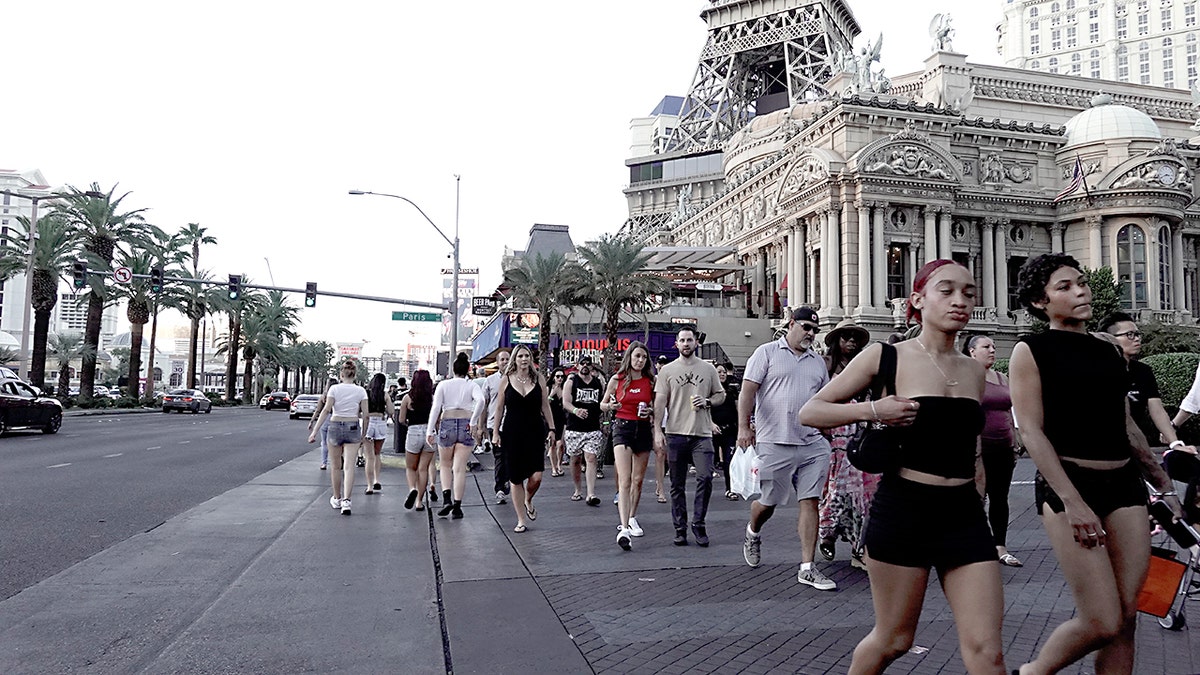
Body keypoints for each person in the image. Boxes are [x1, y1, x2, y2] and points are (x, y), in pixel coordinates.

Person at [800, 260, 1006, 674]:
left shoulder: (973, 370)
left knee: (988, 651)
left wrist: (981, 490)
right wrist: (874, 408)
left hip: (964, 514)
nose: (959, 300)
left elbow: (972, 446)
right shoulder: (886, 355)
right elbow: (812, 410)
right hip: (905, 509)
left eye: (968, 292)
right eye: (946, 291)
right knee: (894, 640)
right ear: (917, 300)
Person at [1010, 254, 1181, 675]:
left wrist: (1163, 484)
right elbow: (1031, 432)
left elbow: (1125, 425)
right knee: (1102, 619)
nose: (1081, 291)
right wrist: (1073, 501)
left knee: (1126, 619)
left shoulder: (1109, 350)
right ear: (1039, 301)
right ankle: (1032, 672)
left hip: (1125, 486)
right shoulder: (1029, 350)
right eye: (1064, 287)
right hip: (1070, 485)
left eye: (1081, 283)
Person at [738, 307, 836, 590]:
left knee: (810, 501)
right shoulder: (766, 352)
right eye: (806, 327)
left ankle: (807, 566)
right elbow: (747, 391)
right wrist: (744, 427)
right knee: (768, 503)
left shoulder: (817, 362)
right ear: (791, 324)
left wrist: (829, 433)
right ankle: (753, 530)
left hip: (812, 444)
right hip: (774, 441)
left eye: (815, 330)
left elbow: (824, 400)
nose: (810, 334)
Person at [653, 327, 726, 546]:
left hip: (702, 434)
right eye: (682, 340)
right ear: (677, 344)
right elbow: (659, 401)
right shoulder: (667, 371)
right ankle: (680, 527)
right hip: (675, 433)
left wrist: (708, 402)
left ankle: (698, 523)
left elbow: (720, 394)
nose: (686, 343)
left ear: (696, 343)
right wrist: (657, 430)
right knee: (677, 484)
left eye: (689, 340)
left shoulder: (708, 369)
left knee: (705, 477)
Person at [816, 318, 875, 571]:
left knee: (863, 498)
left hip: (858, 440)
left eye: (854, 338)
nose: (850, 341)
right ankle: (826, 533)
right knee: (835, 492)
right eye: (845, 337)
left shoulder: (863, 366)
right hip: (832, 440)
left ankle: (858, 549)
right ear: (837, 340)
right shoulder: (827, 365)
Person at [961, 334, 1023, 568]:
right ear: (972, 351)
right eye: (986, 346)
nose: (992, 350)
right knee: (975, 498)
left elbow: (1011, 411)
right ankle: (973, 545)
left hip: (1003, 448)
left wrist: (1015, 442)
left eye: (994, 346)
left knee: (1000, 498)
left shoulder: (1002, 378)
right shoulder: (967, 378)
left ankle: (1000, 547)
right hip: (977, 451)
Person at [1100, 312, 1192, 452]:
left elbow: (1157, 410)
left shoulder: (1143, 372)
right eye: (1130, 335)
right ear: (1110, 339)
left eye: (1137, 334)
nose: (1136, 339)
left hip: (1133, 446)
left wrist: (1175, 443)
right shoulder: (1096, 370)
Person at [491, 344, 556, 533]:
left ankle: (528, 498)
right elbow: (499, 408)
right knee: (516, 477)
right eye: (520, 356)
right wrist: (496, 432)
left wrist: (552, 429)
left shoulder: (539, 379)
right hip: (512, 431)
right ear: (515, 359)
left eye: (526, 355)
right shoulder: (506, 379)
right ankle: (521, 519)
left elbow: (545, 406)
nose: (524, 359)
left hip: (535, 431)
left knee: (537, 476)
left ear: (531, 358)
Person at [600, 341, 656, 550]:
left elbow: (655, 407)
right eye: (636, 356)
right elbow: (602, 404)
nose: (640, 360)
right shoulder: (618, 379)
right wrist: (611, 406)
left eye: (643, 357)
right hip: (622, 427)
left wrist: (650, 412)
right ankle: (623, 527)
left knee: (638, 479)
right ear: (629, 357)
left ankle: (632, 516)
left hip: (642, 429)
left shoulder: (651, 381)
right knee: (624, 480)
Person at [307, 361, 369, 516]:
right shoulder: (361, 391)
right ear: (354, 375)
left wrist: (314, 431)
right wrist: (363, 435)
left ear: (341, 374)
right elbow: (366, 415)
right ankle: (347, 501)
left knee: (335, 466)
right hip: (353, 426)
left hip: (334, 426)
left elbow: (326, 410)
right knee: (349, 466)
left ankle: (337, 498)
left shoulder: (334, 389)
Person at [429, 352, 486, 519]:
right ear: (468, 368)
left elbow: (436, 408)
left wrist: (430, 430)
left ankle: (446, 499)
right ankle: (458, 506)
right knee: (460, 468)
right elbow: (481, 401)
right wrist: (474, 420)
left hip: (447, 423)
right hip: (466, 424)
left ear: (452, 369)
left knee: (445, 465)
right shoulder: (472, 385)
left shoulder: (443, 385)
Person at [563, 354, 605, 506]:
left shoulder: (598, 382)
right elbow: (566, 402)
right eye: (582, 363)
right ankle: (577, 489)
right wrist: (576, 411)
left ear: (592, 366)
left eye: (588, 363)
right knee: (575, 460)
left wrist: (604, 420)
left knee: (591, 458)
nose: (585, 366)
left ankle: (591, 493)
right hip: (574, 427)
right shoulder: (571, 382)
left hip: (593, 427)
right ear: (577, 365)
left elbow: (602, 402)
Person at [477, 350, 512, 504]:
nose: (505, 362)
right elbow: (483, 405)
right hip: (494, 425)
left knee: (511, 457)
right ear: (498, 362)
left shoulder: (517, 379)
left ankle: (508, 480)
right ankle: (499, 488)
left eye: (507, 359)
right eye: (502, 359)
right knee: (499, 457)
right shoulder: (490, 381)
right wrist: (481, 427)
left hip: (513, 425)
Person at [398, 369, 436, 511]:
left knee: (410, 467)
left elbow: (401, 419)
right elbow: (437, 418)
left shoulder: (407, 398)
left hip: (414, 431)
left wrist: (410, 424)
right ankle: (419, 501)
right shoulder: (432, 398)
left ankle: (412, 488)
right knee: (423, 469)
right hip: (430, 433)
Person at [362, 373, 395, 495]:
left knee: (369, 457)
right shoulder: (384, 394)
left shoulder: (366, 393)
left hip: (368, 423)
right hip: (380, 423)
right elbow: (391, 411)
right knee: (377, 454)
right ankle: (377, 480)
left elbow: (360, 410)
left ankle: (369, 486)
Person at [711, 363, 740, 501]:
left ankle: (730, 489)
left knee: (729, 461)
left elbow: (737, 408)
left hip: (729, 430)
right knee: (709, 463)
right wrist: (711, 424)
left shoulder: (731, 390)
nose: (722, 374)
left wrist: (742, 426)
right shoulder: (710, 390)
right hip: (713, 431)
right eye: (719, 372)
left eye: (723, 372)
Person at [309, 377, 337, 471]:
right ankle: (337, 462)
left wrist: (312, 421)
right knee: (336, 443)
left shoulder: (324, 397)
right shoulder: (338, 395)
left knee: (324, 443)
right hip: (336, 419)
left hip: (325, 419)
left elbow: (318, 411)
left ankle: (323, 463)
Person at [547, 367, 567, 477]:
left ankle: (559, 465)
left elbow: (567, 403)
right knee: (553, 444)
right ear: (553, 377)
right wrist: (552, 394)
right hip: (551, 418)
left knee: (561, 444)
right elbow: (545, 403)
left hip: (562, 418)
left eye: (562, 377)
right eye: (558, 376)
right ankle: (554, 468)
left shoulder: (565, 388)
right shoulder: (549, 387)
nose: (560, 379)